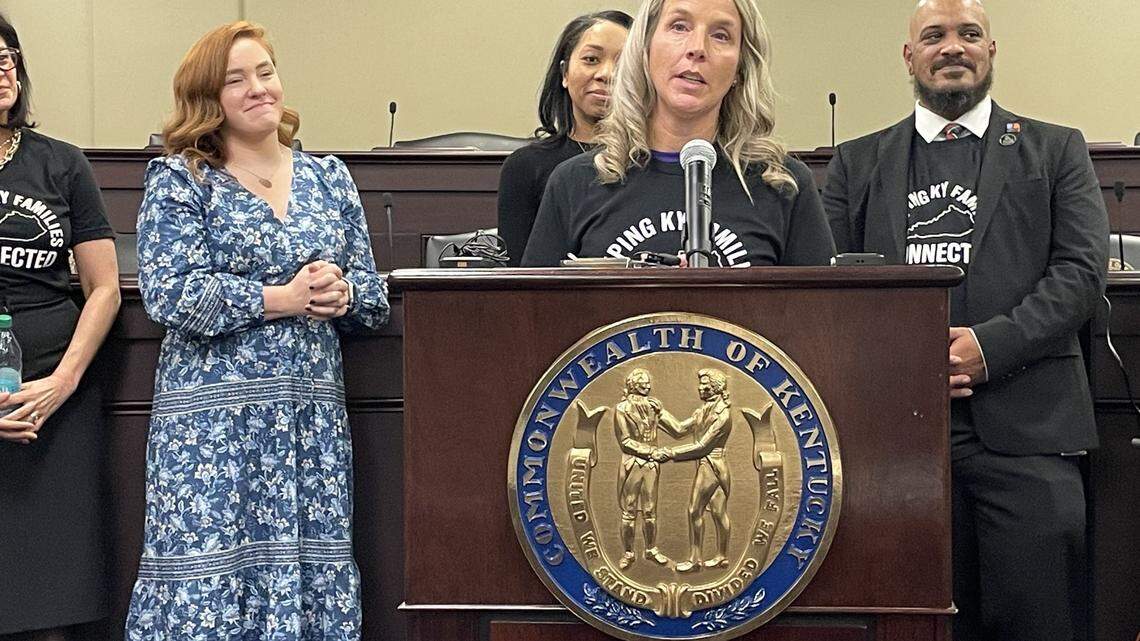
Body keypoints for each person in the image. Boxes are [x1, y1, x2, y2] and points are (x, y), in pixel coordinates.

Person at [822, 1, 1108, 639]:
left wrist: (988, 346)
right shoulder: (854, 165)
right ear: (909, 56)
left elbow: (1080, 275)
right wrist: (910, 359)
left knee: (1040, 622)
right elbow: (832, 290)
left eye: (969, 34)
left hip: (1030, 433)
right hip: (893, 443)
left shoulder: (1057, 150)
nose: (952, 47)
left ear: (991, 50)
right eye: (934, 36)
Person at [125, 22, 388, 641]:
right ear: (206, 101)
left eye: (265, 71)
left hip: (309, 427)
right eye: (235, 80)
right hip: (213, 433)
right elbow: (171, 295)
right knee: (209, 579)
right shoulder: (180, 179)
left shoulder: (330, 177)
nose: (258, 88)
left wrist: (342, 293)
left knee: (308, 573)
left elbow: (375, 298)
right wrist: (282, 297)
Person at [521, 0, 834, 268]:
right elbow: (531, 322)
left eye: (721, 35)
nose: (697, 49)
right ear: (644, 48)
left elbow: (822, 325)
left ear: (740, 68)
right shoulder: (574, 182)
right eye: (679, 27)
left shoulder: (783, 186)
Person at [0, 12, 121, 641]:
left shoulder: (62, 163)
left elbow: (103, 287)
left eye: (6, 57)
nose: (1, 72)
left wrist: (64, 382)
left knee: (55, 594)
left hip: (57, 395)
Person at [497, 11, 632, 266]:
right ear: (565, 73)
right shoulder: (526, 167)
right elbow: (516, 281)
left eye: (624, 64)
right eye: (591, 59)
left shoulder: (655, 162)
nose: (606, 74)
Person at [658, 369, 733, 573]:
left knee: (694, 510)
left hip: (711, 465)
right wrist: (660, 414)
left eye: (704, 384)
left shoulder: (723, 415)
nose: (700, 388)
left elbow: (702, 447)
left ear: (715, 387)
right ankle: (722, 557)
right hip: (710, 465)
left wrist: (670, 453)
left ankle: (695, 560)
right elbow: (680, 430)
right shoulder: (701, 411)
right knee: (718, 513)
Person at [612, 368, 686, 570]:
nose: (648, 385)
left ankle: (651, 550)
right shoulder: (622, 408)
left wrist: (701, 419)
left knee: (650, 509)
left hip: (651, 467)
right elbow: (625, 441)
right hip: (633, 464)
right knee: (629, 510)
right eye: (643, 382)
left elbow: (677, 430)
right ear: (633, 384)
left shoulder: (654, 407)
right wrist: (650, 452)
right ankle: (628, 553)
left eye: (648, 382)